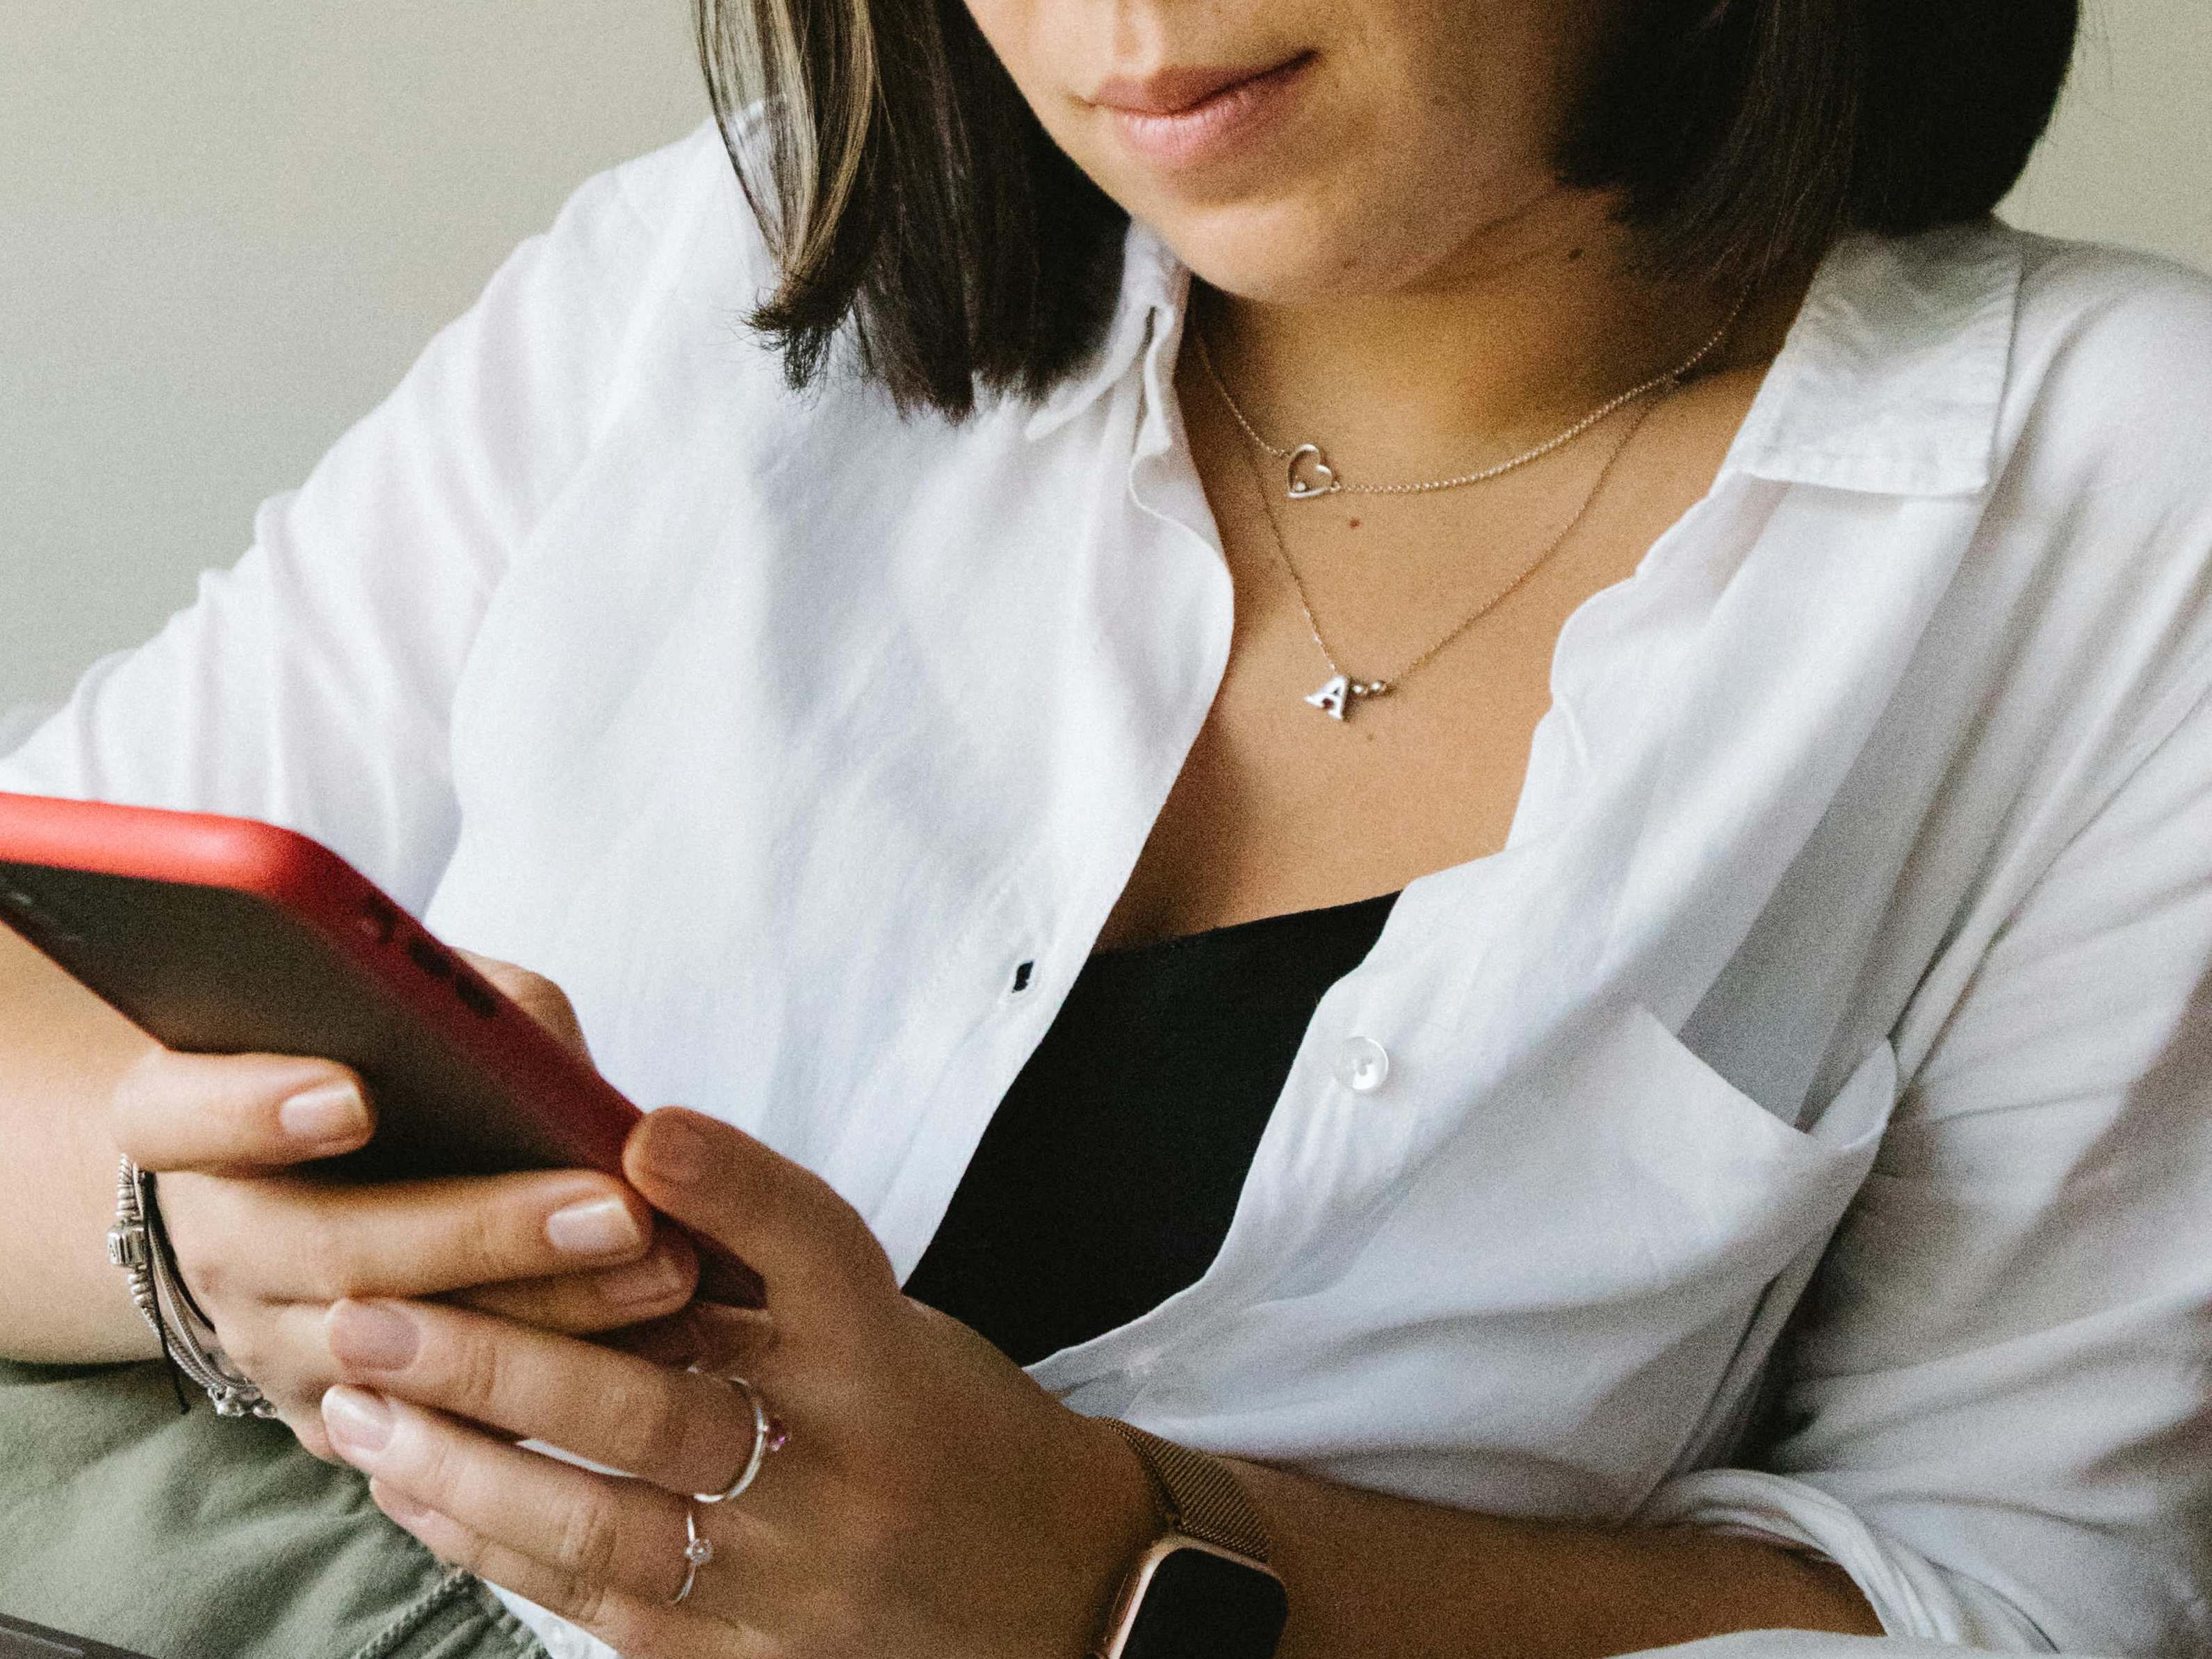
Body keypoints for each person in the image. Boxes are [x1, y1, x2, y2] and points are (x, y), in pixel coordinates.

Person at [2, 0, 2209, 1653]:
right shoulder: (733, 272)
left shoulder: (2123, 508)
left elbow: (2034, 1595)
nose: (1115, 18)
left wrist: (1114, 1576)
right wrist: (196, 1232)